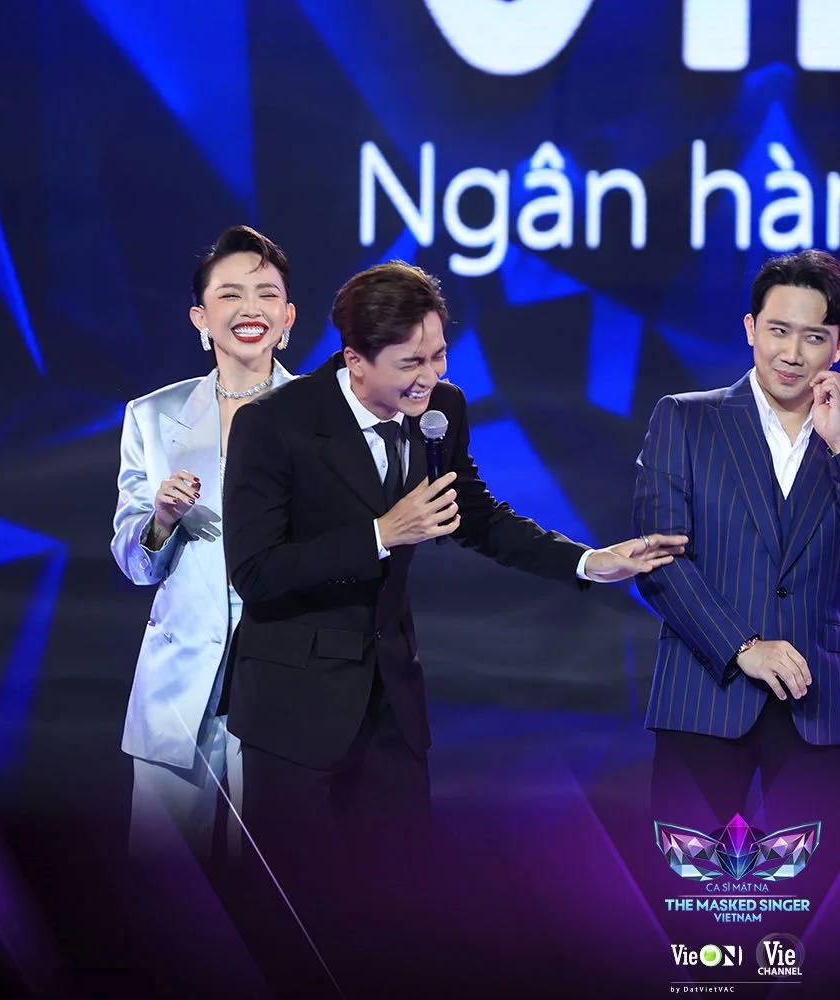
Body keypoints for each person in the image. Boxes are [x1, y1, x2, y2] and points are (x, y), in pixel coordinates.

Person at [220, 260, 685, 874]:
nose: (431, 376)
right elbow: (255, 571)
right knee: (297, 906)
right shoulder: (275, 424)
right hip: (293, 710)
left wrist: (589, 561)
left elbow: (477, 516)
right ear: (355, 360)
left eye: (439, 355)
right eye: (411, 363)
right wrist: (380, 535)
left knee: (403, 898)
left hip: (390, 707)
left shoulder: (443, 410)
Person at [632, 250, 840, 885]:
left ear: (839, 346)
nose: (791, 353)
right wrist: (743, 647)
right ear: (750, 328)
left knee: (818, 904)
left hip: (820, 704)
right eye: (778, 330)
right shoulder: (684, 418)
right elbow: (660, 564)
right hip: (703, 695)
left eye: (813, 337)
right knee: (688, 899)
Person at [112, 225, 297, 863]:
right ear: (200, 317)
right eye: (231, 295)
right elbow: (134, 563)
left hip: (283, 683)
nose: (251, 309)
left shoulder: (324, 416)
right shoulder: (151, 416)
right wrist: (161, 518)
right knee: (165, 890)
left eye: (267, 294)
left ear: (288, 317)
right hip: (178, 689)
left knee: (278, 884)